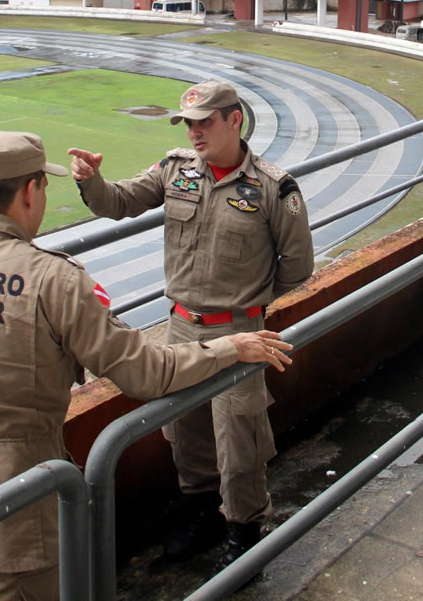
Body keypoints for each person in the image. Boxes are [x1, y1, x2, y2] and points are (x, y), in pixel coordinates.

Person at [0, 131, 293, 601]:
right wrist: (230, 348)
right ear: (30, 191)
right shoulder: (54, 280)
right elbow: (147, 373)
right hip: (16, 507)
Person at [69, 80, 314, 573]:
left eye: (205, 122)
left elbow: (298, 265)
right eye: (189, 124)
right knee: (187, 433)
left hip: (240, 332)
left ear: (234, 119)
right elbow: (117, 202)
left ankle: (245, 534)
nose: (196, 132)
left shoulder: (273, 187)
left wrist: (250, 305)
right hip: (180, 329)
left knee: (238, 440)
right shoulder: (175, 170)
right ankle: (203, 515)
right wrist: (90, 180)